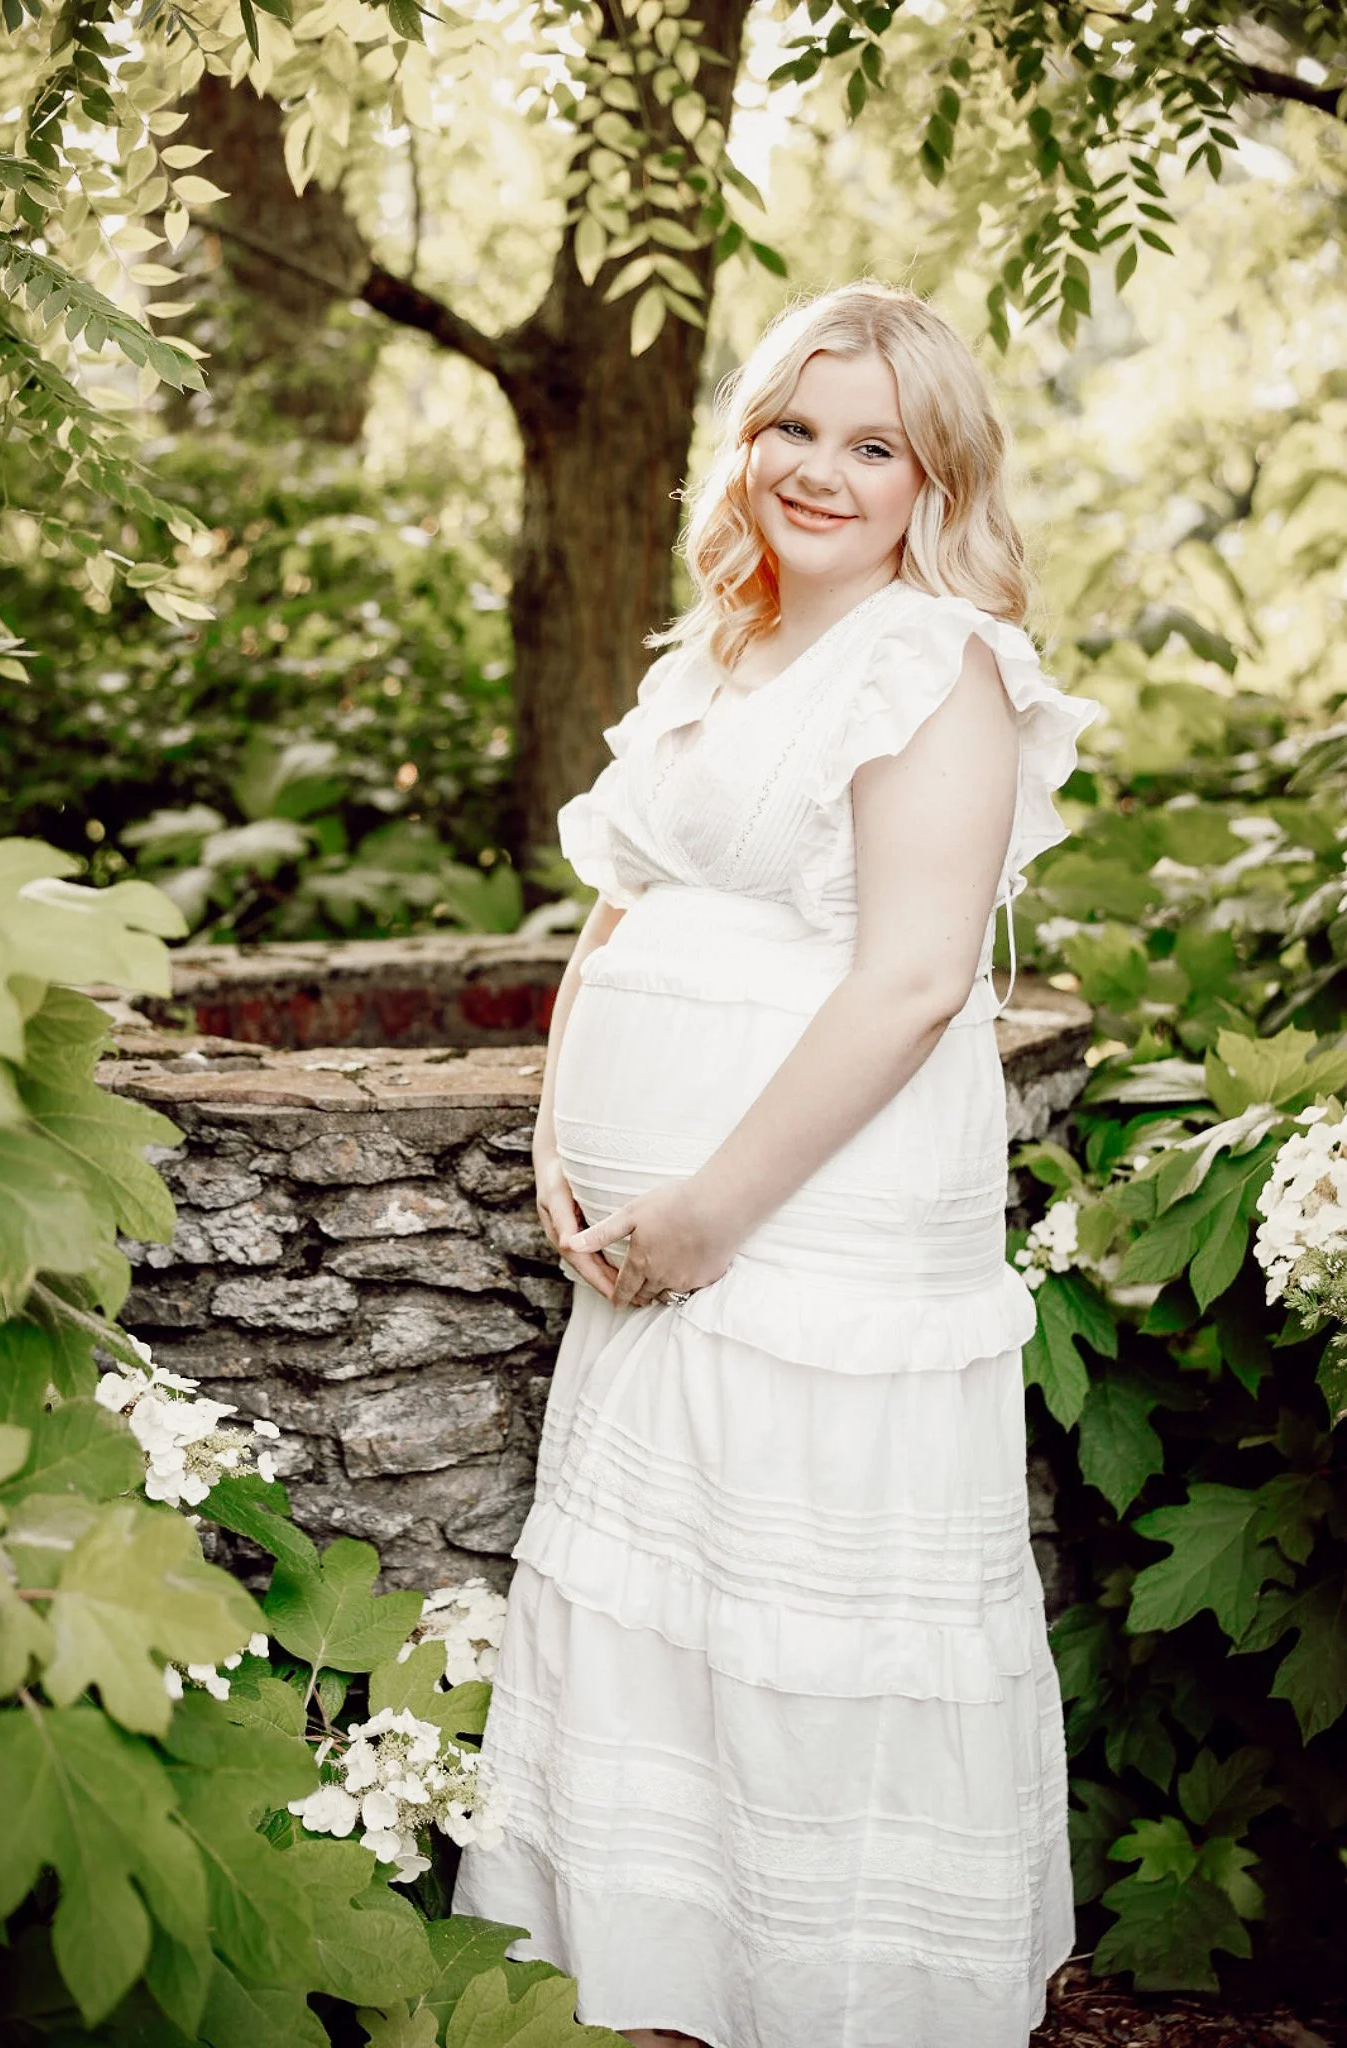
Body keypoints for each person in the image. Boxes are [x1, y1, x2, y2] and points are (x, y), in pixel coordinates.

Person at [451, 279, 1100, 2048]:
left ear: (933, 480)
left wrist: (705, 1216)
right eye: (793, 428)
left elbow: (911, 983)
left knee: (808, 1634)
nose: (821, 470)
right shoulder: (722, 647)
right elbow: (623, 907)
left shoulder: (934, 667)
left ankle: (840, 2005)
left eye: (873, 443)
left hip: (805, 1237)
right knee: (675, 1621)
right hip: (652, 1238)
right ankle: (669, 1994)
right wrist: (556, 1151)